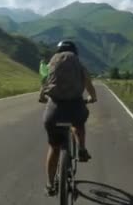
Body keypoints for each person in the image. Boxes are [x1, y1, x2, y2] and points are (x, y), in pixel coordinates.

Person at [39, 40, 97, 196]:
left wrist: (43, 98)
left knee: (54, 147)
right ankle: (82, 149)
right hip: (75, 107)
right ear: (74, 52)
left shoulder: (52, 65)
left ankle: (50, 185)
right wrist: (92, 98)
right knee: (80, 121)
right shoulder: (78, 64)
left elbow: (44, 85)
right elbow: (88, 84)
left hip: (54, 110)